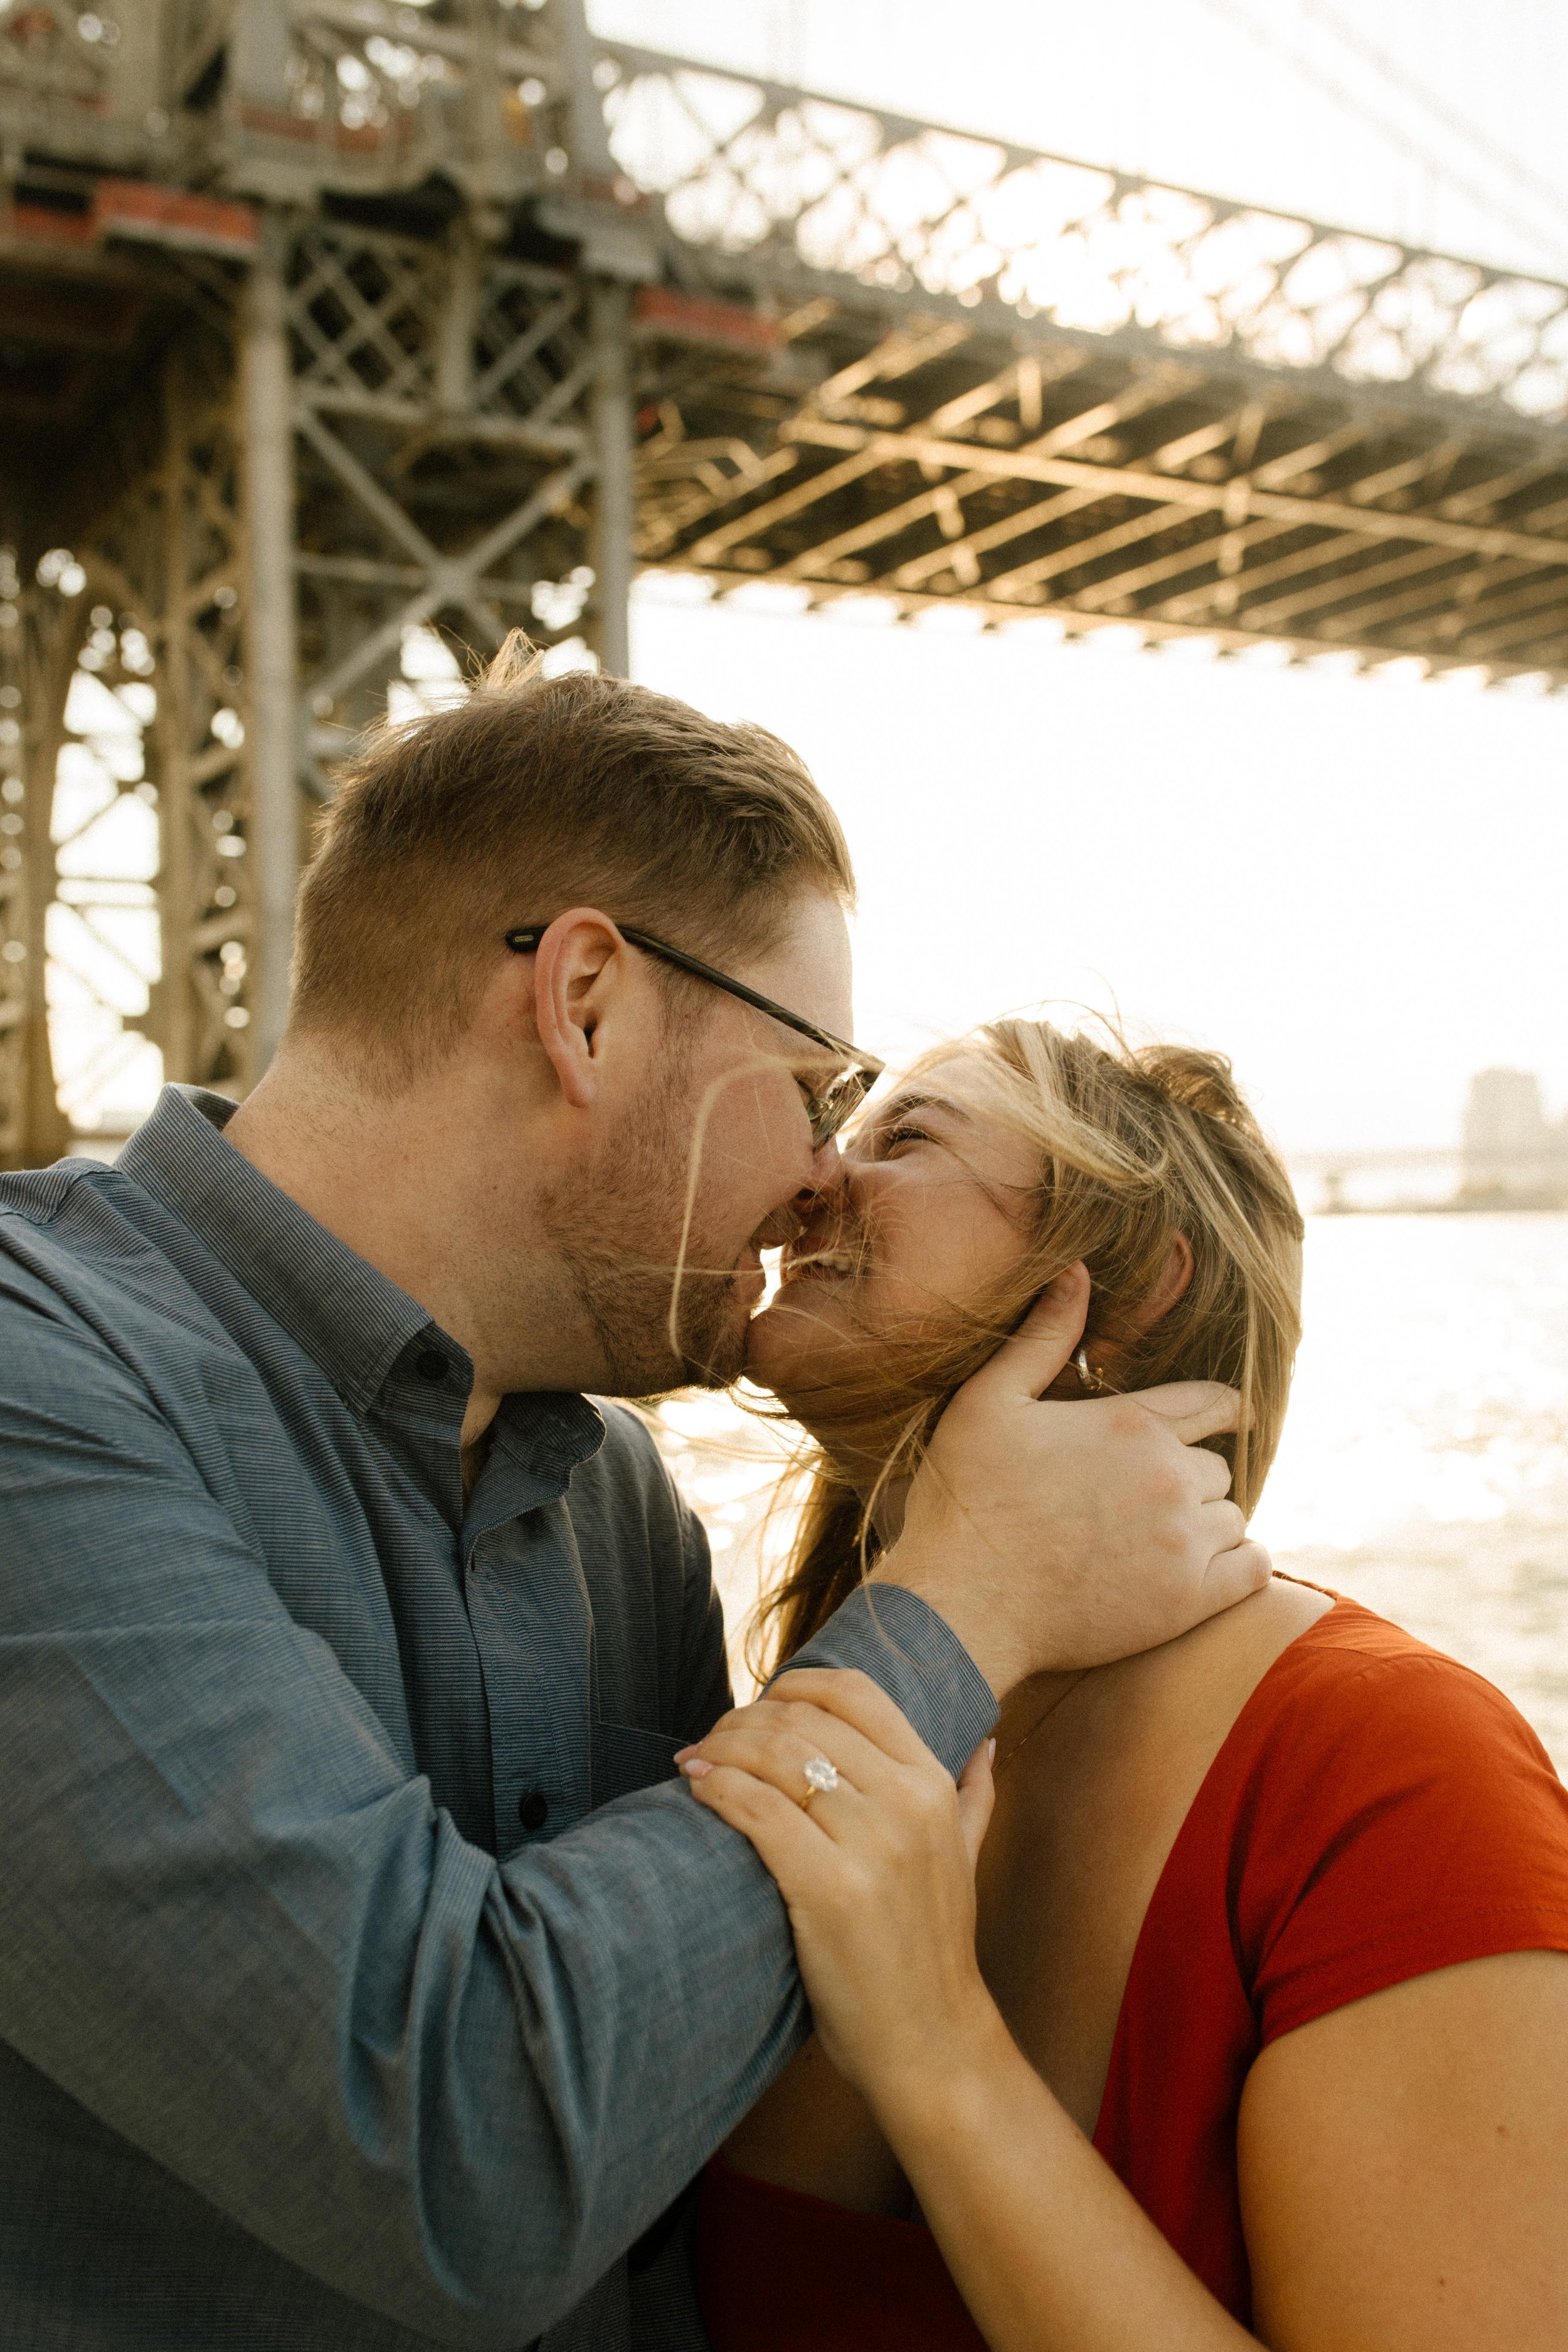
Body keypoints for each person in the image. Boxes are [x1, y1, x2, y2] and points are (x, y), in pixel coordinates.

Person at [0, 642, 1270, 2352]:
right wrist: (964, 1601)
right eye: (814, 1086)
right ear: (585, 1001)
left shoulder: (617, 1504)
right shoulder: (39, 1379)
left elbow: (675, 2148)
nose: (821, 1172)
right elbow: (460, 2150)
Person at [682, 1019, 1568, 2351]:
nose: (813, 1176)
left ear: (1137, 1288)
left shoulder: (1388, 1767)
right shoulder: (836, 1703)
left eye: (905, 1137)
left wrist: (936, 2049)